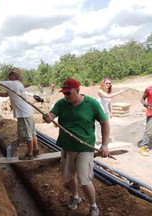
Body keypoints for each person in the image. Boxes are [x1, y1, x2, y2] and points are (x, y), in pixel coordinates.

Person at [42, 78, 110, 216]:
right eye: (64, 94)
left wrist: (104, 145)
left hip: (85, 148)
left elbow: (105, 123)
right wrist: (47, 117)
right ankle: (75, 197)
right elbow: (51, 115)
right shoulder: (61, 104)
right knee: (68, 177)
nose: (66, 96)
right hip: (67, 147)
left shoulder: (92, 104)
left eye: (69, 93)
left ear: (78, 91)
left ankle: (93, 206)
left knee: (84, 180)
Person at [0, 67, 40, 160]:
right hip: (27, 112)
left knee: (28, 135)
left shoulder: (12, 83)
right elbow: (6, 94)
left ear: (15, 76)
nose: (9, 75)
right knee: (33, 133)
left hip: (23, 113)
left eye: (10, 74)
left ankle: (29, 154)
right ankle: (36, 151)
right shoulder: (17, 84)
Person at [95, 78, 124, 144]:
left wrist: (110, 112)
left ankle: (104, 139)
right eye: (107, 83)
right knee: (98, 126)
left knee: (106, 125)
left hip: (105, 111)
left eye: (109, 83)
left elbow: (109, 103)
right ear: (103, 83)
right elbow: (108, 97)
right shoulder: (100, 91)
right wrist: (119, 92)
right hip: (99, 111)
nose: (108, 84)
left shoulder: (107, 91)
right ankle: (98, 140)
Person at [138, 86, 152, 156]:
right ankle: (143, 147)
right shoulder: (149, 89)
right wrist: (145, 104)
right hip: (151, 113)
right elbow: (142, 99)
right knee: (149, 132)